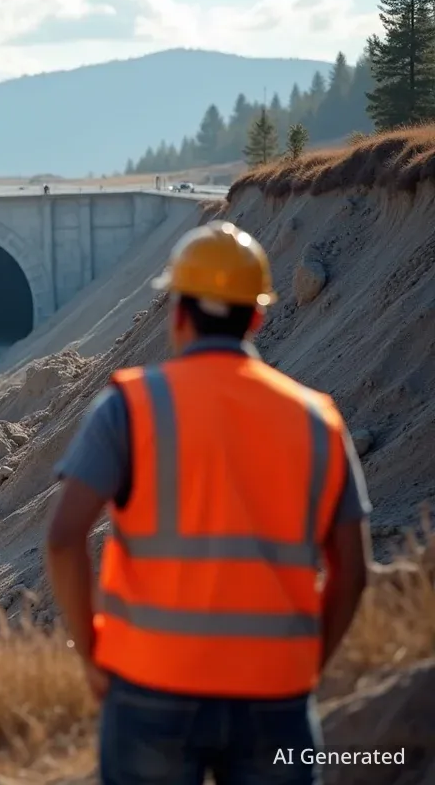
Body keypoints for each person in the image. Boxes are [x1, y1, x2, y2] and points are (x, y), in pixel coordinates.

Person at [45, 220, 372, 785]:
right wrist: (306, 667)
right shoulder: (319, 420)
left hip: (149, 688)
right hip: (275, 694)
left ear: (177, 313)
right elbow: (353, 571)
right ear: (258, 317)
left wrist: (94, 654)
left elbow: (63, 537)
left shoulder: (131, 406)